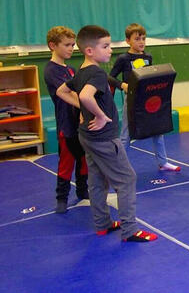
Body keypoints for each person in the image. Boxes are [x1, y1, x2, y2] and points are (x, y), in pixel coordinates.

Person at [56, 25, 158, 242]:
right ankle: (130, 230)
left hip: (88, 136)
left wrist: (85, 111)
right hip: (103, 137)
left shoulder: (81, 71)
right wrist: (100, 115)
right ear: (89, 51)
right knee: (127, 179)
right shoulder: (96, 74)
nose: (110, 50)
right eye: (105, 46)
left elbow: (62, 91)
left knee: (97, 180)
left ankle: (102, 224)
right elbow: (85, 96)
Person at [110, 23, 180, 171]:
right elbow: (110, 77)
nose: (141, 42)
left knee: (157, 130)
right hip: (131, 100)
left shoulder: (148, 56)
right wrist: (123, 85)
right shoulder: (123, 58)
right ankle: (116, 166)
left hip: (148, 99)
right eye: (137, 39)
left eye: (143, 38)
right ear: (128, 40)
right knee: (126, 134)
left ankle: (163, 162)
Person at [44, 26, 89, 213]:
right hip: (66, 123)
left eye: (73, 45)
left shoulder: (71, 70)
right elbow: (67, 93)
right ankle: (61, 197)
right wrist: (84, 103)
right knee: (66, 161)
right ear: (52, 46)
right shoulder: (51, 70)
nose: (71, 48)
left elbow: (79, 89)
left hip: (79, 122)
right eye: (67, 45)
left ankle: (82, 190)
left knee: (84, 158)